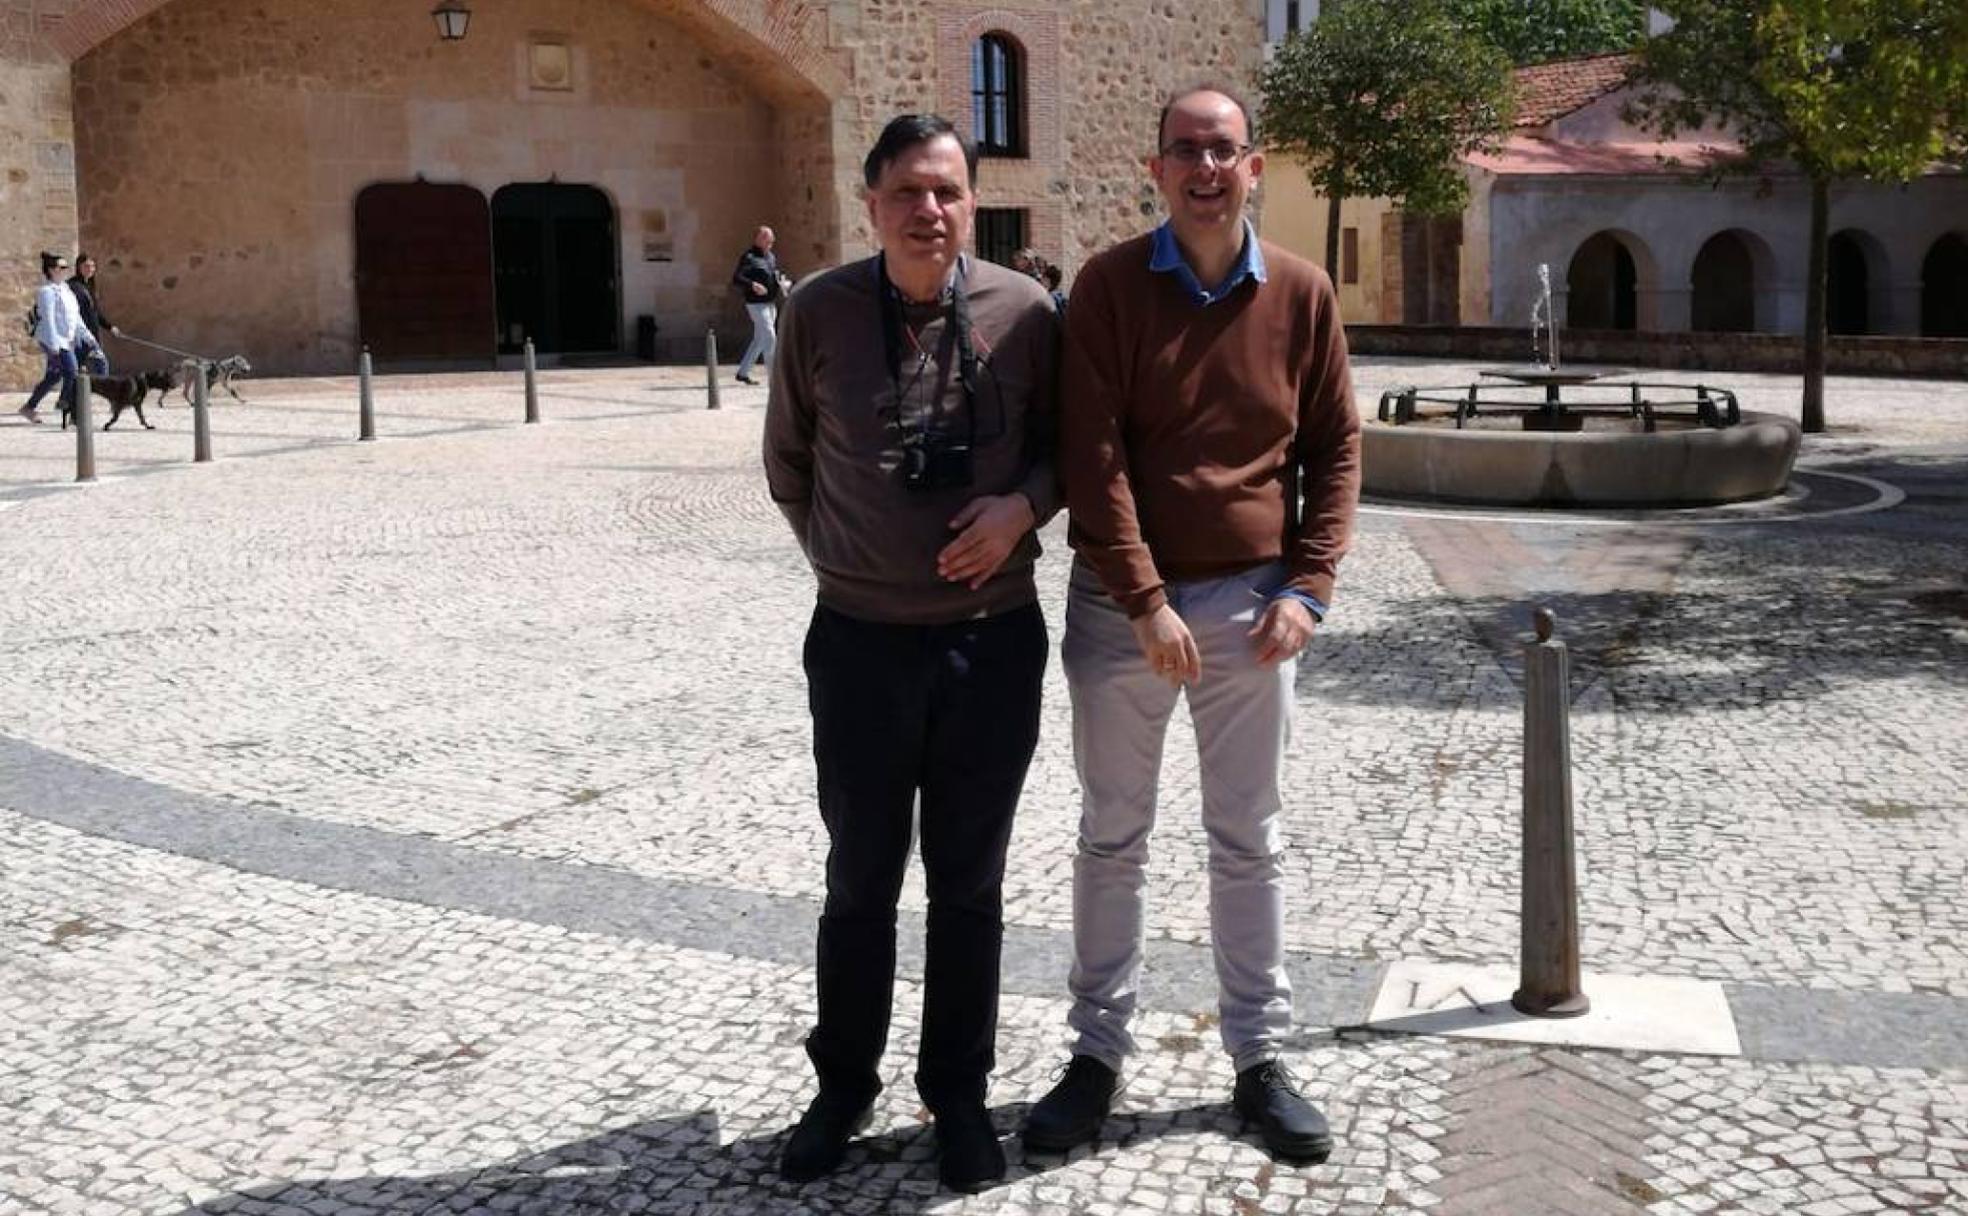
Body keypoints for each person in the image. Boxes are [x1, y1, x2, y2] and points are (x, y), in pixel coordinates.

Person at [1022, 84, 1361, 1164]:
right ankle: (1094, 1057)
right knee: (1111, 837)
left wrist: (1309, 587)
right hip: (1124, 610)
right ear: (1155, 169)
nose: (1206, 170)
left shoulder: (1303, 295)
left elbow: (1336, 450)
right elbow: (1095, 454)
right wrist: (1147, 601)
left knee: (1247, 842)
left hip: (1256, 609)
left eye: (1224, 152)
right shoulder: (1111, 287)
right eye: (1186, 152)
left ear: (1253, 167)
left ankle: (1260, 1058)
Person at [762, 114, 1060, 1193]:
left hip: (991, 645)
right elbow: (789, 462)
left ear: (970, 201)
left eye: (946, 191)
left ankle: (960, 1093)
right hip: (859, 648)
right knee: (859, 878)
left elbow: (1065, 454)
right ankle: (843, 1084)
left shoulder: (1025, 313)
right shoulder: (818, 312)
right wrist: (850, 561)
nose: (927, 210)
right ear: (871, 201)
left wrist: (1020, 510)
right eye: (906, 192)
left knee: (968, 883)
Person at [19, 252, 96, 425]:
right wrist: (54, 344)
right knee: (72, 370)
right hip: (53, 339)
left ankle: (29, 407)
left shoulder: (66, 289)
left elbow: (75, 317)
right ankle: (65, 404)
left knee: (54, 376)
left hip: (66, 338)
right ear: (51, 270)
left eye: (66, 267)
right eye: (61, 267)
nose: (65, 270)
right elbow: (48, 318)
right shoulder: (46, 292)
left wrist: (87, 336)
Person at [732, 225, 788, 385]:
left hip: (770, 304)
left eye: (771, 238)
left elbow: (773, 274)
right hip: (756, 305)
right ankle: (775, 379)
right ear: (758, 239)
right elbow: (737, 278)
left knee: (759, 339)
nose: (772, 240)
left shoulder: (770, 257)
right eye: (767, 237)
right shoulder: (748, 257)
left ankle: (743, 373)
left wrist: (782, 283)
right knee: (770, 337)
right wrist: (752, 285)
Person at [69, 253, 118, 375]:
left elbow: (95, 312)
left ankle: (80, 391)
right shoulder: (72, 286)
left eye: (92, 266)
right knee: (91, 366)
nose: (90, 269)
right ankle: (74, 392)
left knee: (99, 365)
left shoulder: (90, 286)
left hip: (93, 333)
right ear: (79, 267)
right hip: (80, 334)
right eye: (87, 266)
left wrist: (110, 327)